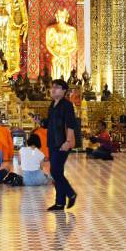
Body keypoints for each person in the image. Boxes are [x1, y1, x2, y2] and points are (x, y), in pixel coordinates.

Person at [46, 78, 78, 211]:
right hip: (52, 142)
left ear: (64, 91)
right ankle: (59, 203)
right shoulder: (52, 104)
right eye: (52, 87)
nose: (53, 89)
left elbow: (71, 125)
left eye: (57, 87)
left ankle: (71, 193)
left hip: (62, 143)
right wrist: (38, 120)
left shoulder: (67, 105)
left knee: (55, 171)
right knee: (56, 172)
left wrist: (68, 142)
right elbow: (48, 123)